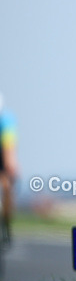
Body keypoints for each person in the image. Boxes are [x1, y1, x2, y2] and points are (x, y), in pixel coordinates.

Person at [0, 92, 18, 246]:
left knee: (7, 184)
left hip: (2, 152)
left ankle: (6, 222)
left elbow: (8, 148)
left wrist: (11, 166)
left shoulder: (5, 121)